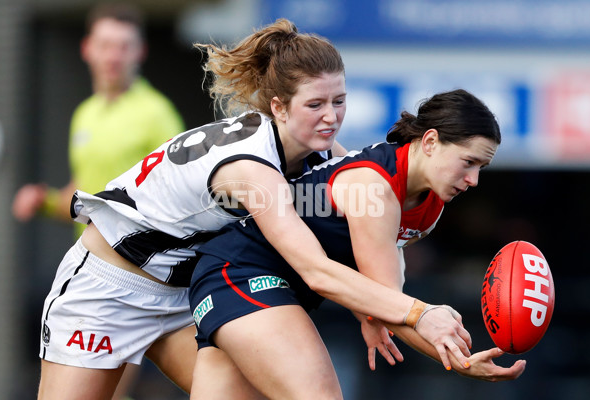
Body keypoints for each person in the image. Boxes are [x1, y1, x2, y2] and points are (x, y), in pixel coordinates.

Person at [36, 18, 472, 400]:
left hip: (184, 294)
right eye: (315, 104)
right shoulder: (251, 168)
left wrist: (379, 312)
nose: (330, 117)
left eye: (339, 101)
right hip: (109, 288)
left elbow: (364, 242)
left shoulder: (322, 151)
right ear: (279, 108)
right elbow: (315, 271)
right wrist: (416, 312)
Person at [187, 89, 527, 399]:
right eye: (468, 162)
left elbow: (387, 299)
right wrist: (459, 357)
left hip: (240, 285)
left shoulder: (428, 203)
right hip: (239, 276)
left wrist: (377, 315)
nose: (474, 180)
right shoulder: (375, 189)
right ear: (430, 141)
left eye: (482, 167)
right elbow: (394, 306)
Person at [12, 3, 185, 399]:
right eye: (106, 45)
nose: (114, 56)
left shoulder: (157, 115)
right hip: (92, 278)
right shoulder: (85, 115)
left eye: (124, 46)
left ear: (139, 52)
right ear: (88, 48)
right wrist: (42, 201)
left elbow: (178, 197)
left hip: (139, 282)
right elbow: (84, 199)